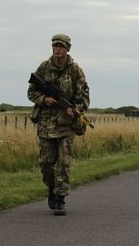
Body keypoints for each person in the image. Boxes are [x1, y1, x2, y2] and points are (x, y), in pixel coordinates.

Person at [27, 34, 90, 216]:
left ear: (67, 48)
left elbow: (84, 96)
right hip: (46, 124)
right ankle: (51, 188)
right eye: (55, 46)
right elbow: (31, 92)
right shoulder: (44, 67)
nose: (57, 49)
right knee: (46, 164)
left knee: (63, 163)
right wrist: (43, 99)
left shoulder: (75, 70)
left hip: (66, 125)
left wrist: (75, 109)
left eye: (61, 46)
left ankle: (60, 198)